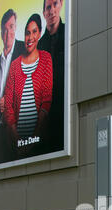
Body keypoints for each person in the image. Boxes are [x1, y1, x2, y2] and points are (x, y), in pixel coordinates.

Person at [5, 14, 53, 159]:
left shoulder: (46, 58)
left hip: (40, 144)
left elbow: (46, 102)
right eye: (27, 33)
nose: (30, 37)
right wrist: (19, 141)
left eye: (34, 32)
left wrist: (33, 140)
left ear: (39, 34)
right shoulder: (14, 66)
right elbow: (8, 107)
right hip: (16, 146)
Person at [0, 10, 25, 165]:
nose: (7, 33)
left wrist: (9, 99)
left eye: (11, 27)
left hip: (19, 133)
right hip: (0, 136)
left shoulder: (24, 50)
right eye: (4, 29)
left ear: (15, 27)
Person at [38, 0, 65, 153]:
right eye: (48, 7)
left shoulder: (70, 34)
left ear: (61, 4)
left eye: (55, 4)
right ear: (44, 13)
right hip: (45, 123)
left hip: (65, 117)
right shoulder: (39, 46)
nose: (52, 10)